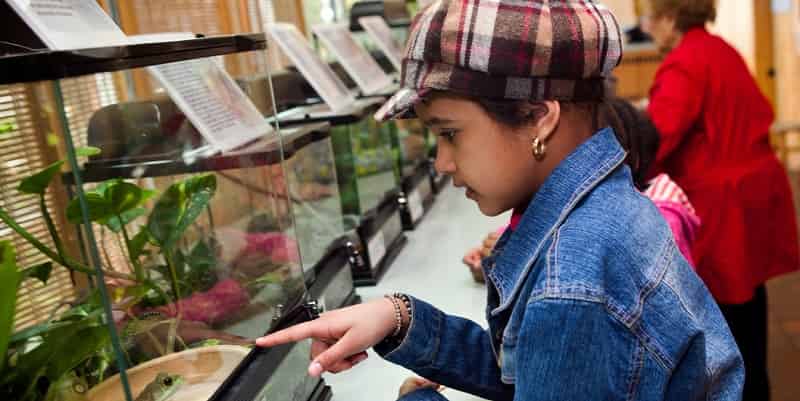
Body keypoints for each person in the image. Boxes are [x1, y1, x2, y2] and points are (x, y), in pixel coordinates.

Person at [256, 1, 744, 400]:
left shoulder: (571, 283)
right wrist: (399, 318)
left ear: (538, 118)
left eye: (450, 134)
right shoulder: (605, 209)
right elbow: (533, 367)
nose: (443, 163)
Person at [641, 1, 800, 400]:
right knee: (748, 302)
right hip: (750, 193)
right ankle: (757, 387)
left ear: (670, 19)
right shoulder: (718, 49)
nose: (647, 27)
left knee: (724, 316)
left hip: (721, 203)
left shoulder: (683, 63)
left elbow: (657, 138)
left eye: (651, 18)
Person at [463, 98, 699, 280]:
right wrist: (497, 251)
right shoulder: (586, 199)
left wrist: (515, 257)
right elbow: (542, 228)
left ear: (630, 158)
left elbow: (610, 272)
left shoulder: (661, 215)